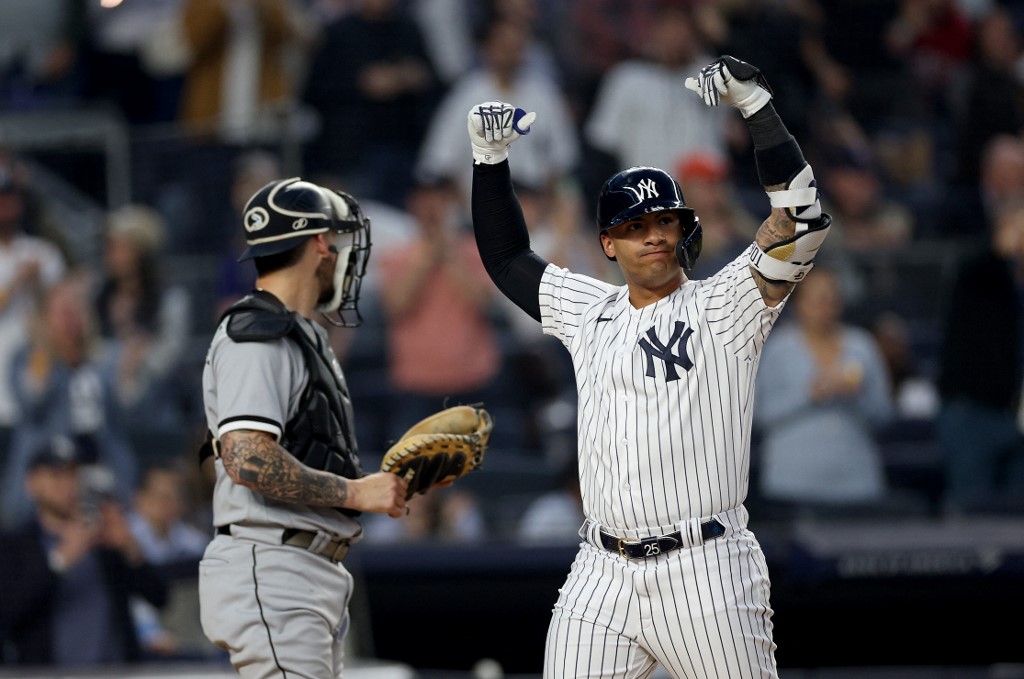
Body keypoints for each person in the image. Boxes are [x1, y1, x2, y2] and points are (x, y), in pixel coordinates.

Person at [466, 53, 832, 677]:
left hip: (705, 570)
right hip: (600, 572)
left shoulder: (727, 303)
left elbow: (803, 220)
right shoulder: (588, 309)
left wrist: (757, 108)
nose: (656, 235)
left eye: (666, 220)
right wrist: (488, 161)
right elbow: (505, 258)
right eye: (636, 227)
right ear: (608, 244)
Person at [197, 176, 410, 678]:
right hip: (274, 566)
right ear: (318, 243)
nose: (339, 254)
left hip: (302, 570)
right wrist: (357, 493)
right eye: (334, 242)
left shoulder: (301, 334)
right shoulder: (256, 335)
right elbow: (248, 457)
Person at [0, 435, 167, 666]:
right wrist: (58, 561)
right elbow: (8, 614)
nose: (66, 485)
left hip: (113, 672)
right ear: (31, 483)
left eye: (72, 475)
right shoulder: (15, 544)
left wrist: (129, 547)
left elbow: (159, 596)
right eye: (55, 475)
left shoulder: (102, 539)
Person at [753, 266, 895, 509]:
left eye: (832, 297)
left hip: (856, 482)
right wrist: (810, 394)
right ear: (798, 303)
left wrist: (855, 395)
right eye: (817, 298)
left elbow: (884, 413)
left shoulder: (862, 346)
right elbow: (757, 415)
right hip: (792, 483)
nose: (825, 305)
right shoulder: (777, 349)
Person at [935, 194, 1024, 515]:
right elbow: (979, 269)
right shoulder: (978, 277)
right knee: (973, 513)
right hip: (972, 414)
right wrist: (999, 249)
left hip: (1015, 415)